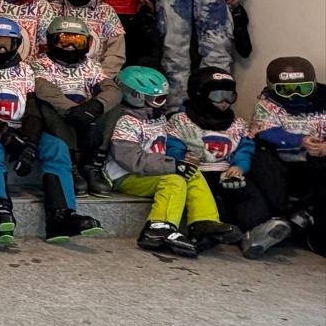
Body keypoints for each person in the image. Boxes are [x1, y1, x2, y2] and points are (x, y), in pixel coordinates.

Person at [0, 16, 95, 245]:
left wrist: (30, 143)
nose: (2, 49)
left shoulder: (25, 70)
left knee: (57, 147)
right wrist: (3, 133)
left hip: (22, 128)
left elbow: (32, 110)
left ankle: (61, 215)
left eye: (8, 43)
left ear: (17, 44)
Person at [105, 66, 233, 258]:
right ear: (135, 96)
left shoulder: (157, 118)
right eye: (157, 99)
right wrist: (171, 165)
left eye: (164, 98)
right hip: (125, 176)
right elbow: (131, 159)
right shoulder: (125, 122)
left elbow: (167, 144)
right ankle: (157, 229)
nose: (162, 103)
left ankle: (203, 222)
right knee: (174, 181)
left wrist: (181, 159)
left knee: (191, 171)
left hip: (151, 171)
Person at [168, 67, 269, 255]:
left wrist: (239, 166)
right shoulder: (180, 121)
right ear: (199, 95)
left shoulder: (238, 124)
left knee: (248, 193)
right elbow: (172, 144)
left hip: (226, 171)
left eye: (229, 96)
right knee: (208, 198)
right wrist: (180, 157)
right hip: (197, 171)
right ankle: (204, 232)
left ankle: (256, 230)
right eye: (217, 96)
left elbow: (245, 148)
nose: (224, 102)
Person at [31, 16, 119, 199]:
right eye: (64, 41)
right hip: (62, 120)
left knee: (114, 106)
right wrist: (75, 111)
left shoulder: (91, 66)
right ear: (51, 41)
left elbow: (112, 90)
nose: (70, 47)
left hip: (88, 119)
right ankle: (70, 165)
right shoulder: (39, 65)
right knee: (46, 106)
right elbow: (45, 91)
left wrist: (95, 107)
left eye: (77, 41)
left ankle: (92, 165)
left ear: (87, 43)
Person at [246, 56, 326, 256]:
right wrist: (299, 140)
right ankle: (279, 219)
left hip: (316, 158)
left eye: (303, 88)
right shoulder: (267, 104)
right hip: (281, 157)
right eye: (287, 90)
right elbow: (265, 131)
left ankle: (307, 221)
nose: (295, 95)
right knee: (260, 161)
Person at [45, 0, 126, 74]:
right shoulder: (51, 10)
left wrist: (99, 79)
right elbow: (41, 49)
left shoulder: (106, 12)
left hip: (95, 79)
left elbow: (116, 55)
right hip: (54, 77)